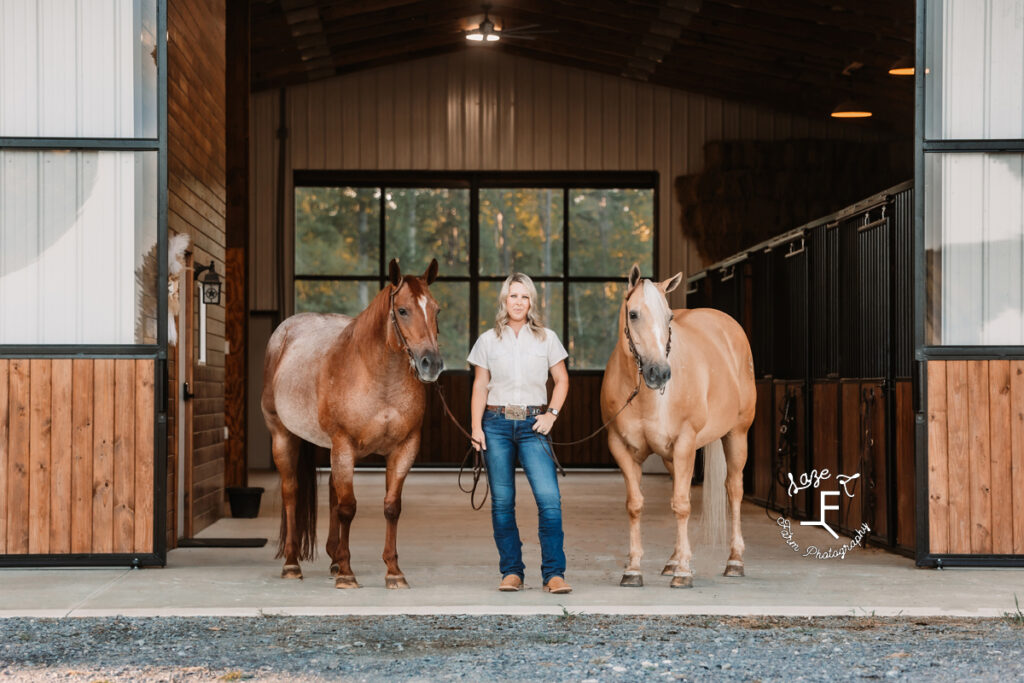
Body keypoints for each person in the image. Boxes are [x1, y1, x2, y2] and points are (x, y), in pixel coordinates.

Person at [468, 273, 572, 594]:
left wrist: (551, 415)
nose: (518, 302)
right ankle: (512, 572)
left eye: (524, 297)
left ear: (531, 303)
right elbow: (480, 386)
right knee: (502, 503)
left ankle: (553, 574)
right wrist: (475, 428)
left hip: (533, 425)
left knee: (549, 500)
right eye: (513, 296)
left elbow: (562, 380)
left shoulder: (547, 338)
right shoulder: (487, 340)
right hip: (496, 425)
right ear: (504, 300)